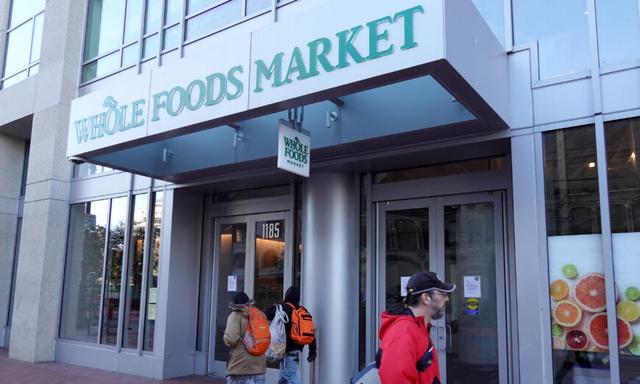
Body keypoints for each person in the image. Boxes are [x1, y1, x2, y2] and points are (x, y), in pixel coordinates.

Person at [376, 271, 456, 384]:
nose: (447, 299)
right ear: (426, 298)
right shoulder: (402, 332)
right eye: (443, 294)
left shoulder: (419, 327)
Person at [265, 286, 317, 384]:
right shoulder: (302, 311)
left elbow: (266, 314)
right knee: (283, 377)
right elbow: (310, 331)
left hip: (280, 349)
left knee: (290, 376)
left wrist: (274, 307)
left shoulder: (281, 308)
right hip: (295, 350)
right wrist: (312, 350)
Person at [224, 291, 267, 384]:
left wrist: (225, 339)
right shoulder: (261, 315)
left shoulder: (235, 316)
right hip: (259, 368)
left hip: (240, 368)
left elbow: (231, 339)